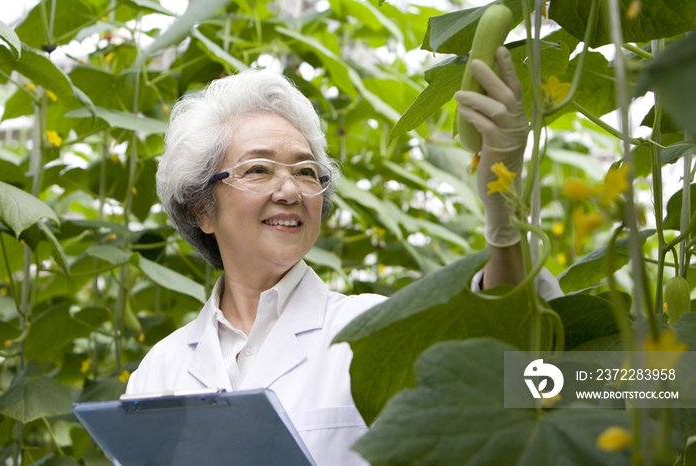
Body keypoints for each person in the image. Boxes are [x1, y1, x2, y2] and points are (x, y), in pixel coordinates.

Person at [125, 47, 563, 465]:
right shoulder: (161, 370)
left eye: (305, 171)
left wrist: (503, 208)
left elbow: (510, 366)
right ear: (202, 208)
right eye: (258, 169)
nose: (291, 190)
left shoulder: (375, 329)